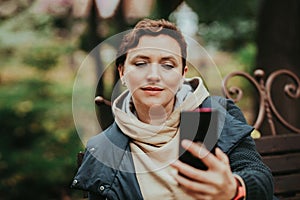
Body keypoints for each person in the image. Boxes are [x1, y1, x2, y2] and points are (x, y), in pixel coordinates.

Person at [71, 18, 275, 200]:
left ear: (182, 74)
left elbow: (258, 174)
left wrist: (234, 189)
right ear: (123, 72)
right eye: (141, 63)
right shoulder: (103, 149)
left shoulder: (215, 114)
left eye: (168, 65)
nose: (153, 75)